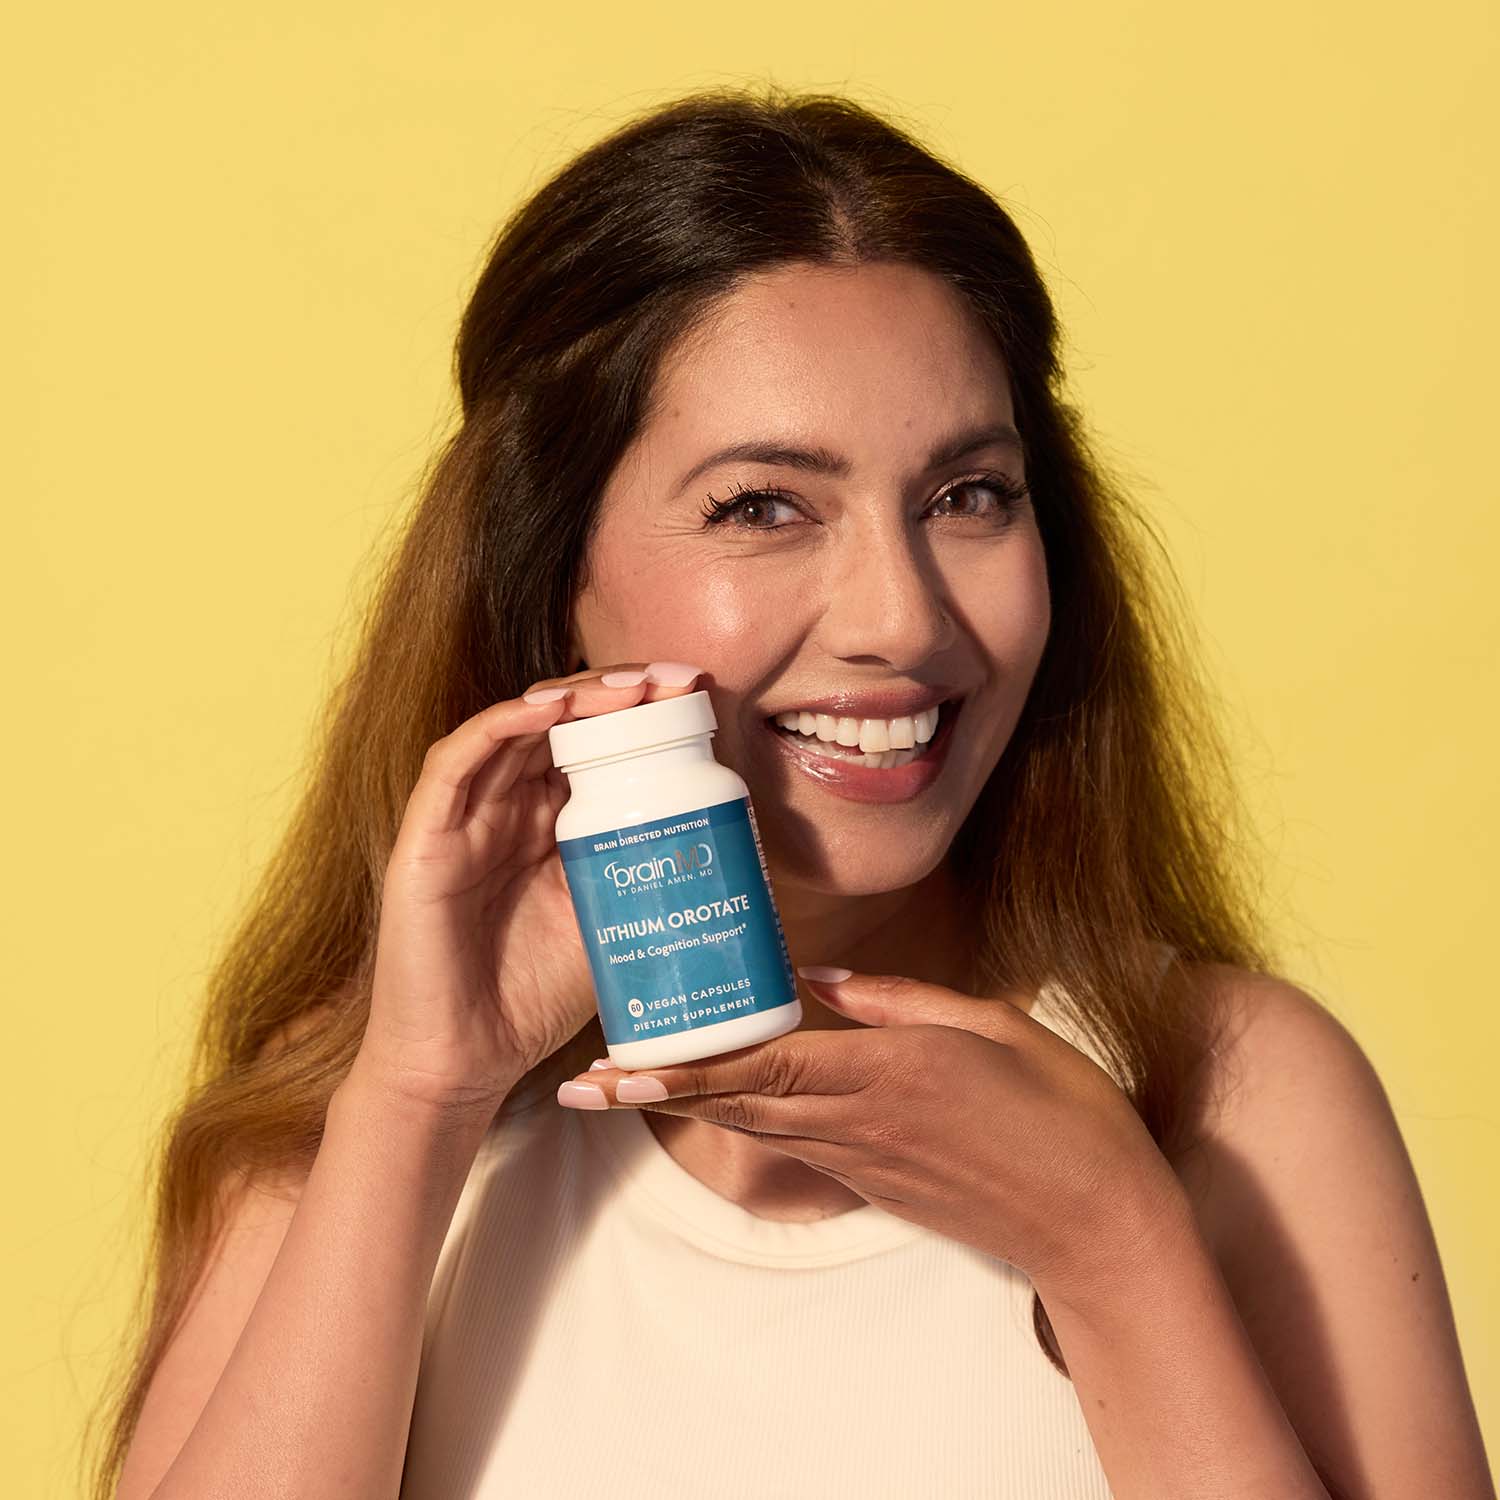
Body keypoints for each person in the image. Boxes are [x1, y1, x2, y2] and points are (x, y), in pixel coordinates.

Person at [91, 86, 1494, 1500]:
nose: (901, 616)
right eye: (762, 506)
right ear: (551, 572)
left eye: (970, 496)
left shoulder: (1232, 1094)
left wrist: (1110, 1241)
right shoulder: (362, 1108)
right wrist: (414, 1101)